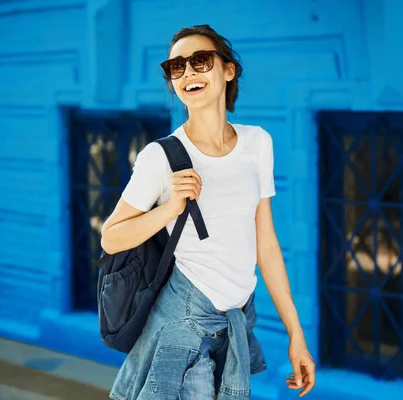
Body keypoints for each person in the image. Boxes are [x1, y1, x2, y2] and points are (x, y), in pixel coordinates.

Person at [100, 24, 316, 399]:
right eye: (176, 67)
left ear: (228, 70)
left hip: (238, 321)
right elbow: (112, 235)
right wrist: (170, 209)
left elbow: (265, 244)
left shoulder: (257, 144)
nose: (188, 74)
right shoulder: (161, 157)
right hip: (182, 322)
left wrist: (295, 333)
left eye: (200, 61)